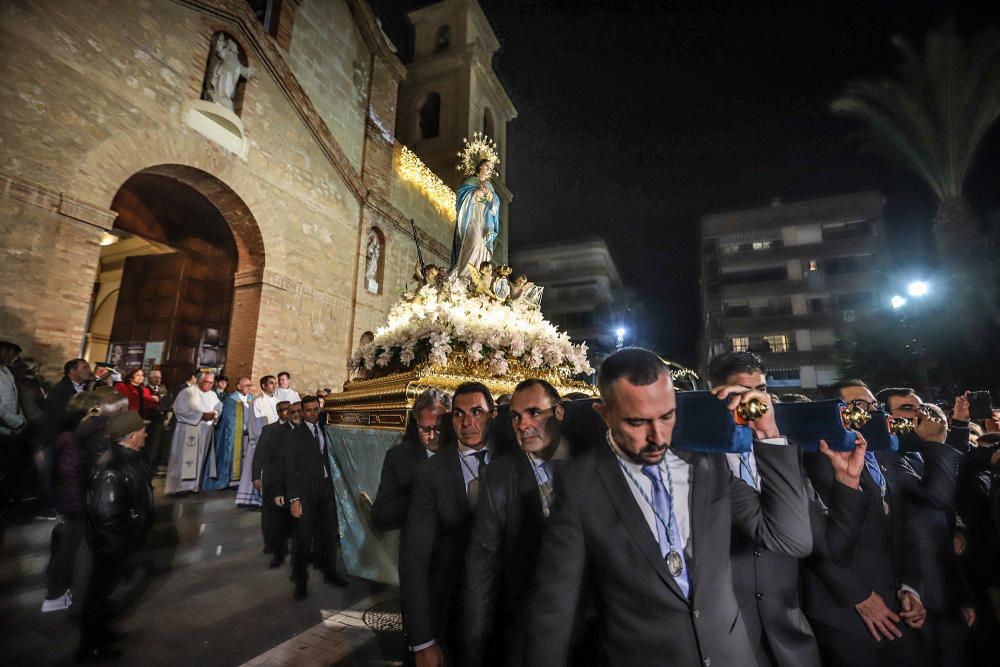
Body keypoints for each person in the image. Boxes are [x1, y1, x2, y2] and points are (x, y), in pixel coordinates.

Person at [524, 347, 813, 666]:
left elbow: (792, 539)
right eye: (637, 423)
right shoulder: (579, 485)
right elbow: (554, 611)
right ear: (604, 414)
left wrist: (766, 431)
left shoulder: (707, 462)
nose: (658, 437)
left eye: (667, 416)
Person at [708, 352, 868, 667]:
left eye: (762, 391)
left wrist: (847, 482)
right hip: (725, 644)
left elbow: (833, 549)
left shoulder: (785, 457)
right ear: (717, 396)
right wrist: (768, 435)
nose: (757, 403)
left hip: (791, 644)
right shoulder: (698, 463)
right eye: (742, 394)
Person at [803, 379, 963, 667]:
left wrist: (911, 587)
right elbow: (815, 541)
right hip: (844, 613)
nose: (871, 413)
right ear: (837, 413)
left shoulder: (887, 457)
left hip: (894, 606)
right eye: (859, 406)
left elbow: (911, 523)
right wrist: (859, 596)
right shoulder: (817, 461)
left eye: (873, 406)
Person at [464, 379, 575, 667]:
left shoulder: (590, 466)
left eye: (534, 413)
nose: (523, 424)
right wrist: (475, 647)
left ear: (559, 413)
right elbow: (482, 569)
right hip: (523, 633)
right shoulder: (498, 478)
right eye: (516, 416)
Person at [401, 381, 507, 666]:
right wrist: (422, 640)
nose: (467, 422)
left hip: (507, 616)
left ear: (493, 414)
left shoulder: (513, 461)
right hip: (451, 616)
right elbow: (414, 559)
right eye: (459, 414)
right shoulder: (431, 474)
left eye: (477, 412)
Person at [77, 411, 153, 661]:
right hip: (111, 542)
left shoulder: (128, 457)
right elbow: (106, 513)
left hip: (120, 540)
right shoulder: (112, 466)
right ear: (131, 436)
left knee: (104, 593)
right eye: (143, 430)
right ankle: (92, 645)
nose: (147, 433)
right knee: (98, 594)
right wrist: (127, 535)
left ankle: (102, 633)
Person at [285, 396, 348, 599]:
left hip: (325, 490)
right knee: (303, 538)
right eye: (309, 410)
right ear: (302, 412)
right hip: (305, 493)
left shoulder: (324, 429)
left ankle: (330, 572)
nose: (313, 413)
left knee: (329, 534)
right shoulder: (295, 436)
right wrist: (294, 499)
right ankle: (300, 580)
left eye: (315, 409)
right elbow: (289, 470)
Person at [370, 388, 452, 532]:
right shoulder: (398, 457)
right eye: (425, 430)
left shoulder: (464, 451)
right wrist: (419, 496)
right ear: (417, 425)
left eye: (439, 428)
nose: (432, 436)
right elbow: (379, 517)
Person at [164, 372, 221, 495]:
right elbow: (179, 410)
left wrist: (214, 414)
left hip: (205, 431)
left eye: (212, 383)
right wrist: (201, 415)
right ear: (199, 381)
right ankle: (179, 487)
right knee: (185, 459)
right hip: (189, 429)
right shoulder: (187, 392)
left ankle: (193, 486)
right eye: (207, 382)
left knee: (199, 458)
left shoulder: (212, 395)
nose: (210, 385)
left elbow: (218, 406)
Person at [251, 400, 293, 567]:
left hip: (288, 479)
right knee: (269, 515)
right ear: (278, 412)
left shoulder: (295, 429)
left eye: (287, 410)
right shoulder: (269, 430)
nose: (285, 413)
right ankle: (271, 545)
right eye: (282, 410)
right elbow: (259, 454)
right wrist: (256, 476)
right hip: (271, 479)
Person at [205, 376, 258, 493]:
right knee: (231, 454)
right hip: (234, 434)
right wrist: (242, 427)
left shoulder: (251, 399)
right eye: (246, 386)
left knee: (246, 456)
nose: (249, 388)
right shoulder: (230, 400)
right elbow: (229, 419)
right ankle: (230, 480)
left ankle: (243, 481)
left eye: (250, 385)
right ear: (239, 386)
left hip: (248, 435)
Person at [450, 156, 500, 278]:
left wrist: (490, 196)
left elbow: (496, 202)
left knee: (483, 246)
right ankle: (465, 275)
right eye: (487, 166)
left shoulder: (490, 186)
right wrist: (474, 194)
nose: (489, 169)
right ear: (480, 167)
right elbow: (461, 196)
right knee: (474, 242)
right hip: (472, 214)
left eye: (491, 168)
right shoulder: (470, 181)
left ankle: (477, 275)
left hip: (486, 218)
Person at [144, 369, 172, 469]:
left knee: (160, 446)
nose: (158, 380)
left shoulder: (162, 390)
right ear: (149, 378)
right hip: (150, 420)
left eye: (159, 378)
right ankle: (148, 467)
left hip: (161, 420)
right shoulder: (145, 389)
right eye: (155, 377)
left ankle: (155, 466)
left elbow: (167, 403)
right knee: (151, 447)